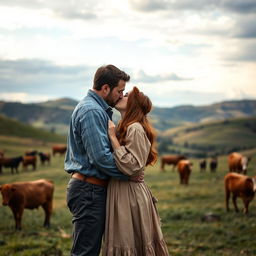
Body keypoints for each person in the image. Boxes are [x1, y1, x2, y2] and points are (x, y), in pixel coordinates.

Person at [65, 64, 131, 256]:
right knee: (86, 252)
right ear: (105, 89)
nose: (121, 95)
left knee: (89, 250)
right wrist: (128, 174)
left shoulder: (94, 108)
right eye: (120, 91)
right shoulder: (92, 111)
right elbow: (101, 158)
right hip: (89, 191)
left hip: (90, 190)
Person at [102, 87, 169, 255]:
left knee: (128, 241)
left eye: (126, 95)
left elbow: (132, 167)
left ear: (133, 105)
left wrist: (112, 138)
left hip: (129, 195)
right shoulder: (125, 126)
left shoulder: (135, 128)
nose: (121, 96)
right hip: (123, 190)